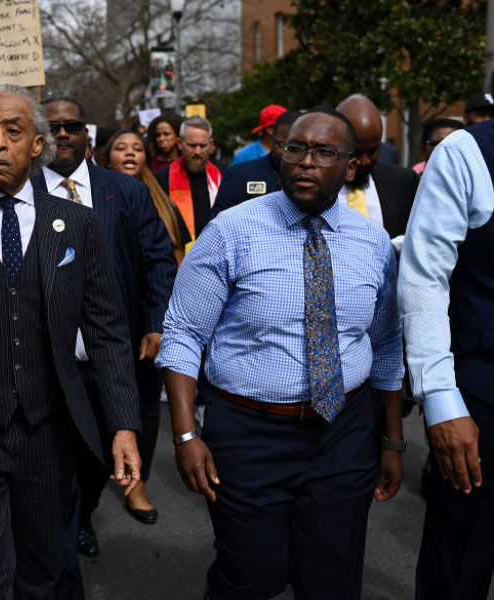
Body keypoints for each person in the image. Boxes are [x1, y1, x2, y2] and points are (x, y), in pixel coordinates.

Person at [156, 109, 405, 599]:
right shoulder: (231, 231)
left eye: (324, 152)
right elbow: (183, 332)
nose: (306, 162)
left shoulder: (373, 243)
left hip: (344, 433)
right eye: (296, 149)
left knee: (330, 576)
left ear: (351, 167)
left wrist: (393, 440)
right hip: (249, 435)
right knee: (251, 574)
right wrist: (185, 433)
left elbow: (386, 345)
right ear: (279, 156)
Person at [0, 84, 143, 599]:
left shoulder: (78, 226)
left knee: (43, 570)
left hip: (50, 431)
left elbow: (107, 333)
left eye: (12, 132)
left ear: (38, 145)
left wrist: (124, 423)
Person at [33, 96, 175, 572]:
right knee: (55, 454)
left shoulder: (125, 192)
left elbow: (158, 260)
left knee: (100, 454)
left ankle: (83, 513)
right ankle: (63, 529)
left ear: (88, 136)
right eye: (52, 127)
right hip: (47, 357)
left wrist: (155, 322)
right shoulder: (21, 192)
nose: (63, 134)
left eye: (72, 126)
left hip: (117, 354)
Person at [399, 119, 494, 599]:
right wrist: (439, 398)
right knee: (459, 564)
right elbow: (422, 277)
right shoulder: (464, 152)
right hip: (481, 393)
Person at [335, 95, 419, 243]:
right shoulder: (313, 186)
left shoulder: (403, 183)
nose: (364, 161)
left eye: (372, 151)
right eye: (355, 152)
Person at [101, 129, 191, 264]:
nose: (130, 152)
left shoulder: (167, 207)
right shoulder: (95, 201)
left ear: (145, 160)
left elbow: (178, 258)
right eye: (121, 148)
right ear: (108, 161)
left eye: (137, 149)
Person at [211, 110, 301, 220]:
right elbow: (218, 223)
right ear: (272, 140)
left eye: (296, 147)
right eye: (282, 145)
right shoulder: (238, 175)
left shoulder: (318, 180)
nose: (287, 153)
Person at [154, 115, 222, 241]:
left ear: (211, 144)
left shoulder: (222, 176)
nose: (197, 151)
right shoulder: (162, 179)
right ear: (180, 143)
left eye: (203, 146)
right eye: (192, 145)